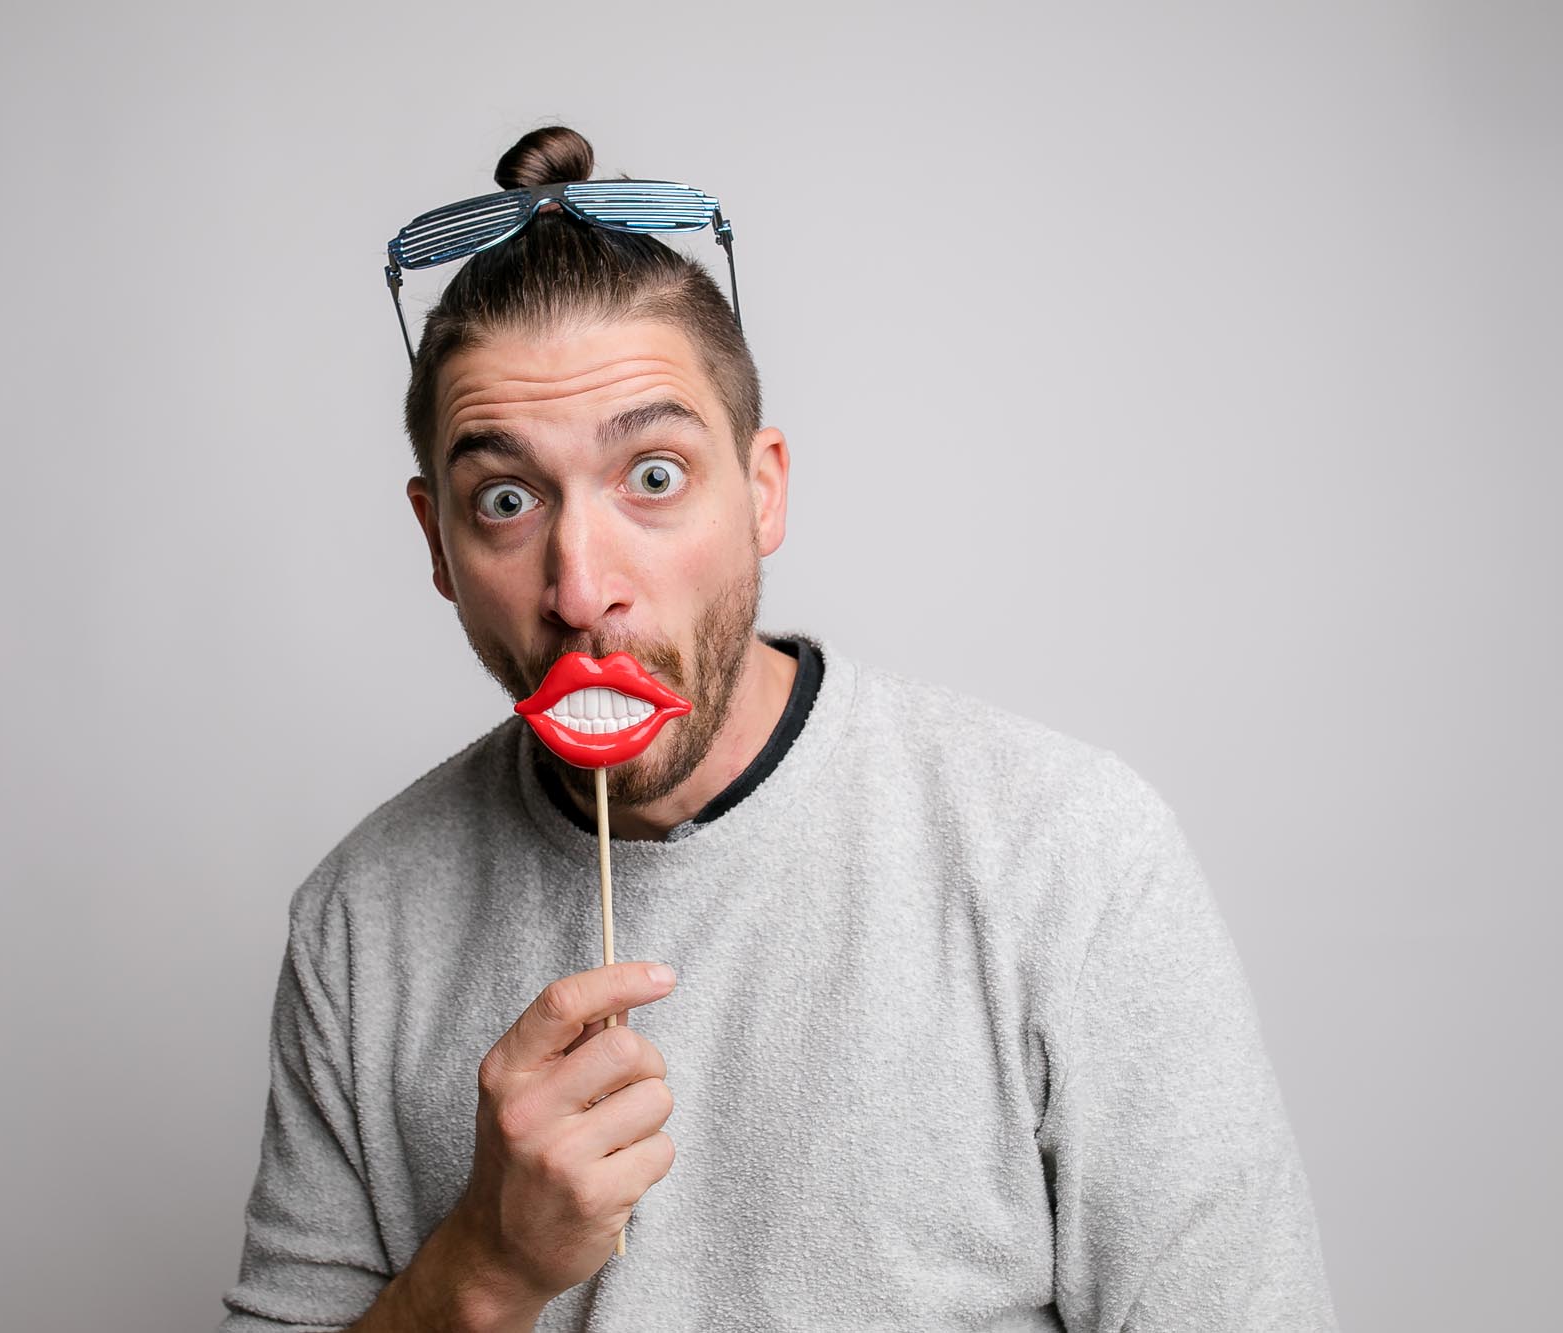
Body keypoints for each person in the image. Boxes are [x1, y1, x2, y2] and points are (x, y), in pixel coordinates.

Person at [219, 126, 1338, 1332]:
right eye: (505, 498)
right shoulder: (357, 924)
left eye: (651, 476)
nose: (579, 582)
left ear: (760, 493)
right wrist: (482, 1267)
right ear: (437, 542)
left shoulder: (1063, 857)